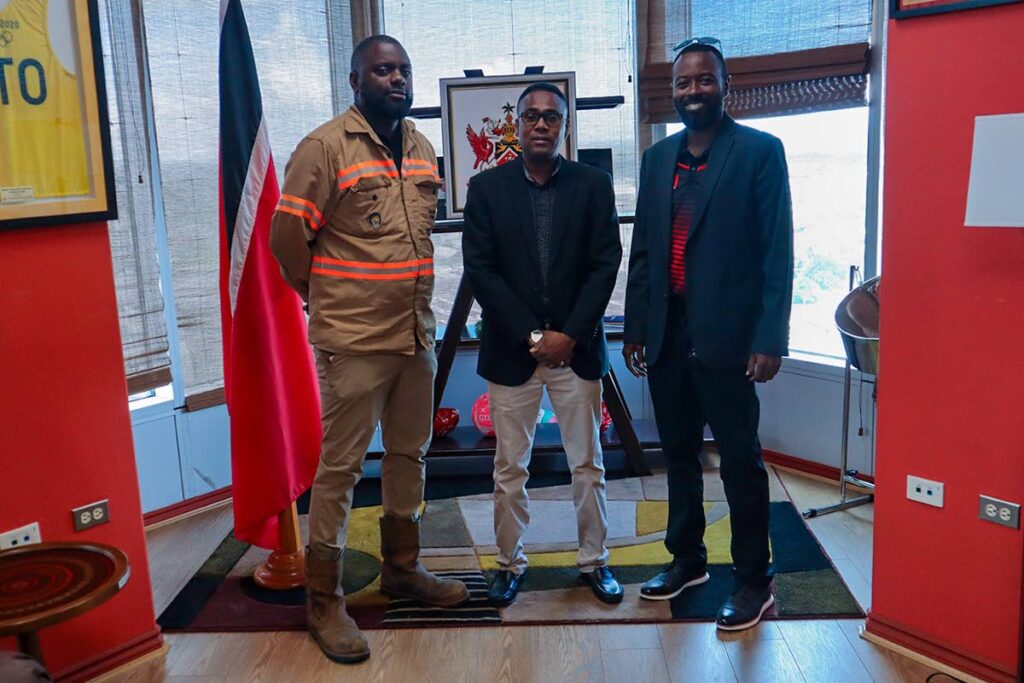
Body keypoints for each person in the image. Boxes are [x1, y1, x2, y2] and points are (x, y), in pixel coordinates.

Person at [270, 35, 468, 664]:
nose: (397, 79)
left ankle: (402, 570)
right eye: (383, 70)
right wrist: (322, 296)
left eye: (404, 69)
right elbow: (286, 241)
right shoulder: (324, 147)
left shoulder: (421, 146)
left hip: (414, 335)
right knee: (341, 470)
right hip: (353, 343)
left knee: (410, 453)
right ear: (355, 80)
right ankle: (324, 602)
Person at [623, 37, 794, 631]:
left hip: (730, 337)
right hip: (668, 332)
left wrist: (770, 336)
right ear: (671, 93)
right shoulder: (657, 159)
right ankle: (687, 560)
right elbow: (643, 248)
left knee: (741, 462)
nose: (692, 90)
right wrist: (637, 326)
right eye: (682, 83)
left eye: (704, 80)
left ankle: (754, 578)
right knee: (678, 456)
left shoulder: (759, 152)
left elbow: (778, 251)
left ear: (726, 86)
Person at [462, 82, 624, 607]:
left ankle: (595, 562)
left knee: (589, 464)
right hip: (514, 353)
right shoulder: (486, 190)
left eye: (551, 117)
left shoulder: (594, 185)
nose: (540, 125)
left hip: (577, 352)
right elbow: (482, 273)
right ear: (517, 125)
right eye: (531, 116)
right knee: (511, 468)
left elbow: (605, 264)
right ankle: (510, 564)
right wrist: (535, 336)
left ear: (565, 125)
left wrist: (569, 335)